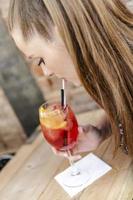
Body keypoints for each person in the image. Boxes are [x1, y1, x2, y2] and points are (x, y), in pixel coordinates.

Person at [8, 0, 133, 159]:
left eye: (40, 60)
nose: (46, 72)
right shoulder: (117, 71)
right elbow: (124, 108)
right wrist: (101, 131)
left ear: (63, 35)